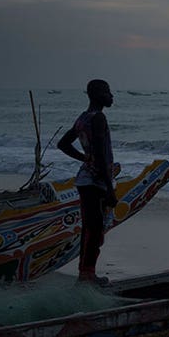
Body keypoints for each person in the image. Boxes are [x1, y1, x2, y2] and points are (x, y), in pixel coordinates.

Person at [57, 79, 118, 285]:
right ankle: (87, 275)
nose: (112, 96)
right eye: (108, 92)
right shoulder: (99, 118)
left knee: (91, 227)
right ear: (98, 93)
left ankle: (86, 273)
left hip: (87, 179)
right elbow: (100, 153)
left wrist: (85, 158)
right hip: (95, 181)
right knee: (94, 228)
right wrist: (110, 188)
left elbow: (63, 144)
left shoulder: (83, 118)